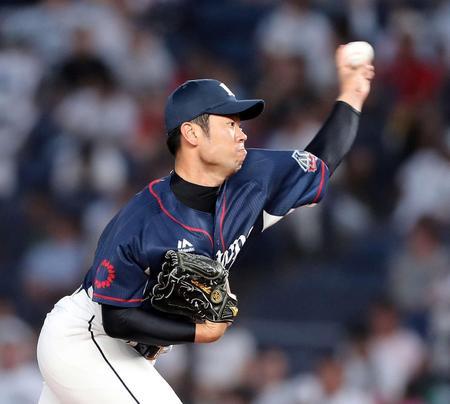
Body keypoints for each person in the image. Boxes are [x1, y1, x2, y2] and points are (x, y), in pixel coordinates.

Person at [36, 45, 374, 403]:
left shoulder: (254, 176)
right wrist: (201, 331)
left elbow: (321, 161)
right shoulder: (143, 219)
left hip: (125, 355)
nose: (242, 134)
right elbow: (115, 319)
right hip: (86, 339)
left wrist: (353, 92)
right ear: (192, 134)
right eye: (229, 124)